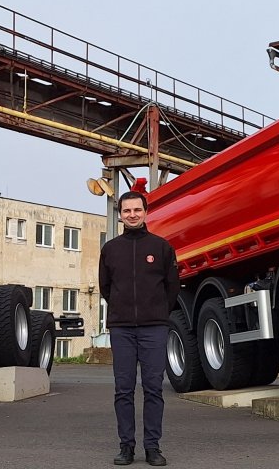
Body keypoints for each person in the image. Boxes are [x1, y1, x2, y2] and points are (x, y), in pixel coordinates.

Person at [99, 190, 179, 466]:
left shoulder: (161, 247)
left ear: (146, 212)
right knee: (123, 389)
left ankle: (153, 448)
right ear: (120, 214)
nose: (132, 214)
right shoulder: (110, 249)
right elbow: (105, 288)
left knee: (153, 388)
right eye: (126, 211)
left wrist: (157, 312)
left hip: (154, 327)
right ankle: (126, 447)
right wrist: (123, 310)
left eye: (137, 210)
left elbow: (172, 287)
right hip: (122, 328)